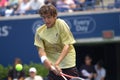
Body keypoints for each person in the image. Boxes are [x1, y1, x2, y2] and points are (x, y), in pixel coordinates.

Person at [34, 5, 79, 80]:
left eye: (48, 17)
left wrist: (57, 63)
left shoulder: (60, 23)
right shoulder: (39, 31)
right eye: (44, 18)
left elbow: (67, 45)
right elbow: (41, 51)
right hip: (53, 68)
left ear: (55, 16)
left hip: (68, 65)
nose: (46, 20)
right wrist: (46, 62)